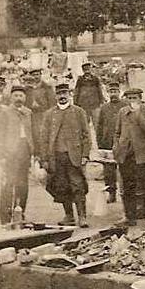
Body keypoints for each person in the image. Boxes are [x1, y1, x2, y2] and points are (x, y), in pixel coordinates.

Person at [40, 83, 93, 227]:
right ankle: (69, 216)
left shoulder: (79, 112)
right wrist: (44, 158)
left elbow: (86, 135)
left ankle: (82, 217)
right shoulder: (49, 114)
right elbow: (44, 138)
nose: (62, 96)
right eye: (59, 93)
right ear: (55, 96)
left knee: (78, 186)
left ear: (69, 94)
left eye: (64, 93)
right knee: (61, 186)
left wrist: (85, 155)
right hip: (56, 156)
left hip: (74, 156)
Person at [114, 87, 145, 226]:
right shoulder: (122, 112)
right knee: (128, 187)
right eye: (130, 98)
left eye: (135, 98)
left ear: (140, 99)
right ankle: (129, 216)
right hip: (126, 155)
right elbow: (117, 132)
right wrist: (117, 147)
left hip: (142, 154)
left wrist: (138, 114)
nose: (132, 101)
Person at [0, 86, 34, 224]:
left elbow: (32, 133)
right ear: (11, 98)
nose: (19, 98)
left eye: (21, 96)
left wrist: (34, 152)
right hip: (9, 152)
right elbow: (0, 135)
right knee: (8, 183)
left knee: (23, 184)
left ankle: (20, 212)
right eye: (16, 96)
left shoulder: (28, 113)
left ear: (25, 98)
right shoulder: (4, 113)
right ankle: (5, 216)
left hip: (24, 150)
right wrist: (1, 154)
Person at [94, 81, 126, 203]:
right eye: (111, 91)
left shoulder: (125, 105)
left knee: (125, 169)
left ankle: (125, 194)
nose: (113, 94)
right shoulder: (104, 108)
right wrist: (100, 142)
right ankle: (111, 193)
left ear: (119, 92)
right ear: (108, 93)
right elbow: (99, 126)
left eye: (115, 91)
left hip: (122, 142)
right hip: (107, 143)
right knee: (108, 171)